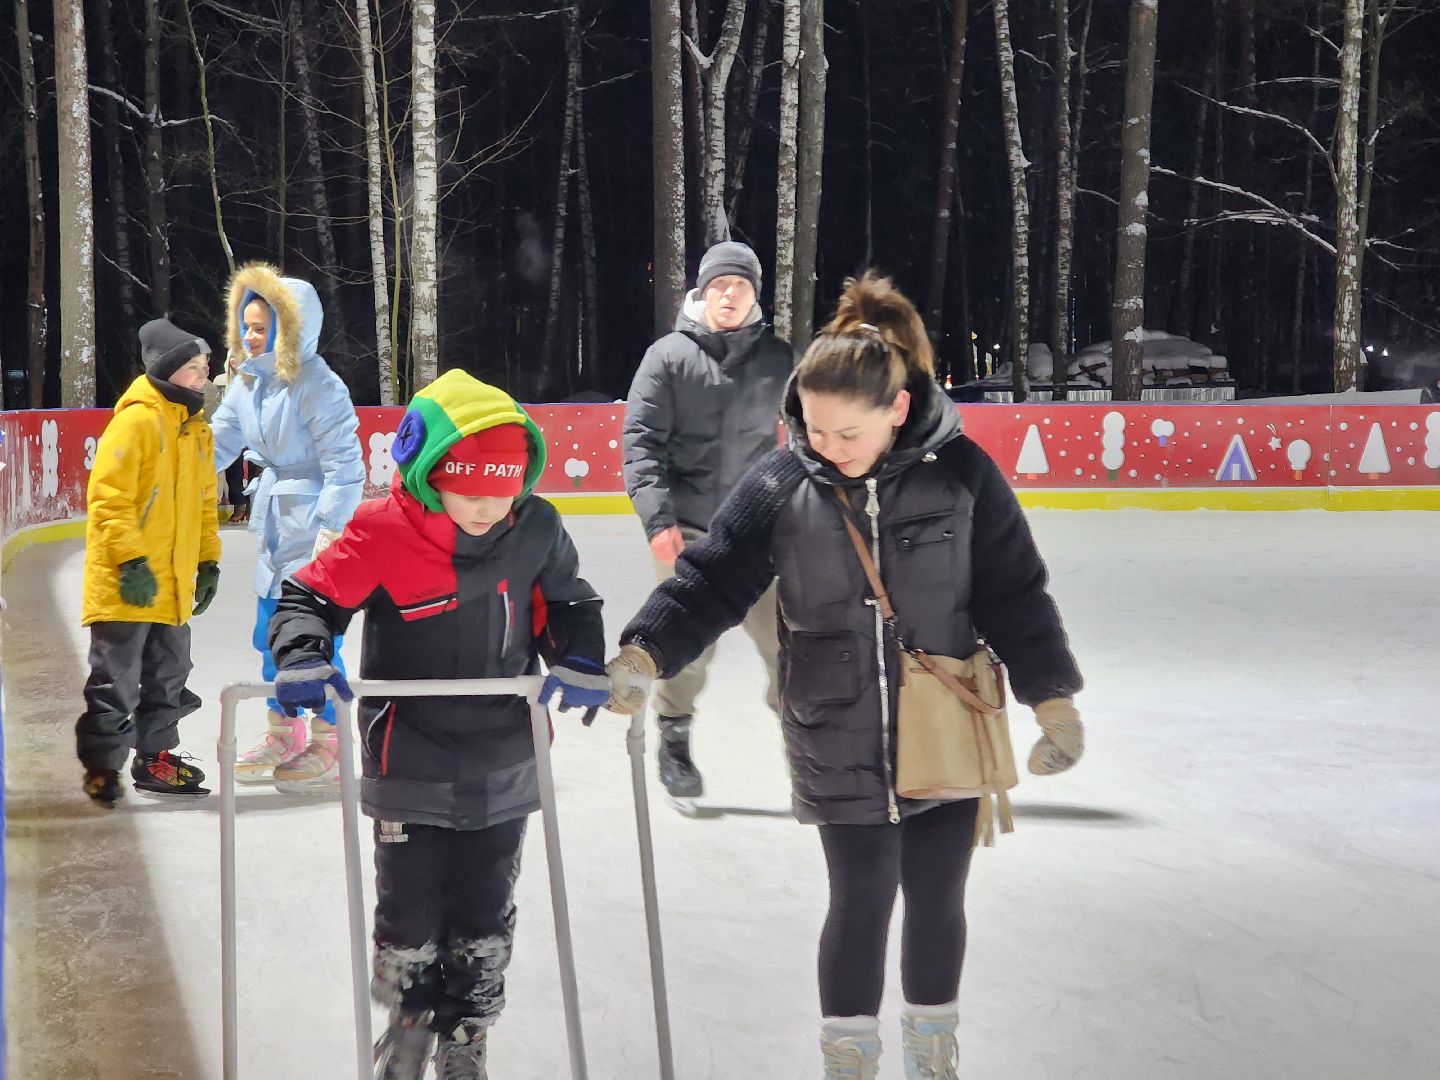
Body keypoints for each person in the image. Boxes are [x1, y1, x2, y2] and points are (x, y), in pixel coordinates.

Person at [606, 273, 1086, 1078]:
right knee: (860, 901)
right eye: (811, 428)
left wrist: (1055, 700)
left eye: (845, 433)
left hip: (946, 723)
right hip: (835, 725)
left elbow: (1015, 594)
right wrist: (644, 654)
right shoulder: (783, 482)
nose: (825, 446)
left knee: (937, 901)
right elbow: (711, 579)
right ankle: (849, 1063)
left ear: (897, 410)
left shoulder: (963, 476)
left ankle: (932, 1054)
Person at [267, 369, 608, 1079]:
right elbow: (309, 597)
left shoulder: (535, 528)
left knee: (485, 907)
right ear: (427, 476)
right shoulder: (383, 531)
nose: (489, 506)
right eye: (470, 490)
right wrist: (301, 653)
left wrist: (580, 657)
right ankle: (412, 1020)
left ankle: (467, 1034)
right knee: (411, 908)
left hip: (506, 755)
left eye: (504, 488)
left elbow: (570, 605)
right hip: (409, 757)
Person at [622, 239, 793, 809]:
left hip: (763, 529)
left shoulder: (778, 358)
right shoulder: (668, 357)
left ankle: (810, 741)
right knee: (688, 645)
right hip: (688, 528)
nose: (729, 294)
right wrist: (657, 521)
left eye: (740, 286)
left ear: (754, 295)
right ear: (701, 291)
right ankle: (674, 735)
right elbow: (641, 444)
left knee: (790, 644)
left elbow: (815, 433)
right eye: (719, 285)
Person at [210, 262, 365, 793]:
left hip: (314, 531)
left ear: (288, 330)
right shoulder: (248, 383)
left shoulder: (319, 385)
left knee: (316, 635)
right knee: (269, 630)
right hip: (275, 526)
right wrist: (168, 470)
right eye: (246, 327)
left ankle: (330, 737)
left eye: (261, 328)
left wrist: (330, 529)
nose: (250, 338)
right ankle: (283, 732)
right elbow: (218, 444)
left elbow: (346, 466)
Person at [77, 318, 223, 806]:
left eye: (206, 367)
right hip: (127, 582)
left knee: (169, 674)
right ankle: (102, 766)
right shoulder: (137, 420)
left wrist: (207, 563)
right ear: (168, 370)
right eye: (195, 368)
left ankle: (155, 757)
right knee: (115, 679)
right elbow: (108, 498)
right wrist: (131, 560)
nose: (204, 376)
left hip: (175, 582)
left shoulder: (195, 429)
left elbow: (204, 507)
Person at [209, 351, 251, 524]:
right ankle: (239, 505)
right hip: (230, 430)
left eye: (238, 356)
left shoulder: (251, 379)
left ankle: (252, 508)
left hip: (251, 429)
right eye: (231, 357)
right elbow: (213, 403)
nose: (234, 361)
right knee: (234, 471)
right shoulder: (219, 380)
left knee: (256, 471)